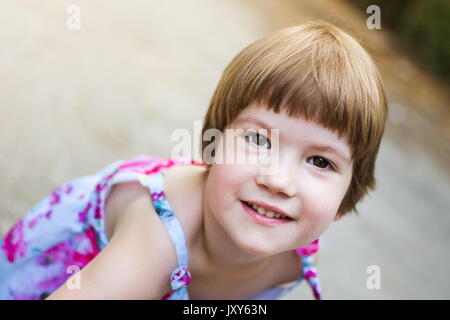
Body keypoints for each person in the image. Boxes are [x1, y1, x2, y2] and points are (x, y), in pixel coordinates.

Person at [0, 21, 387, 300]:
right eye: (257, 139)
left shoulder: (292, 254)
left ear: (346, 199)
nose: (279, 181)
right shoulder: (157, 234)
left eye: (320, 162)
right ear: (212, 148)